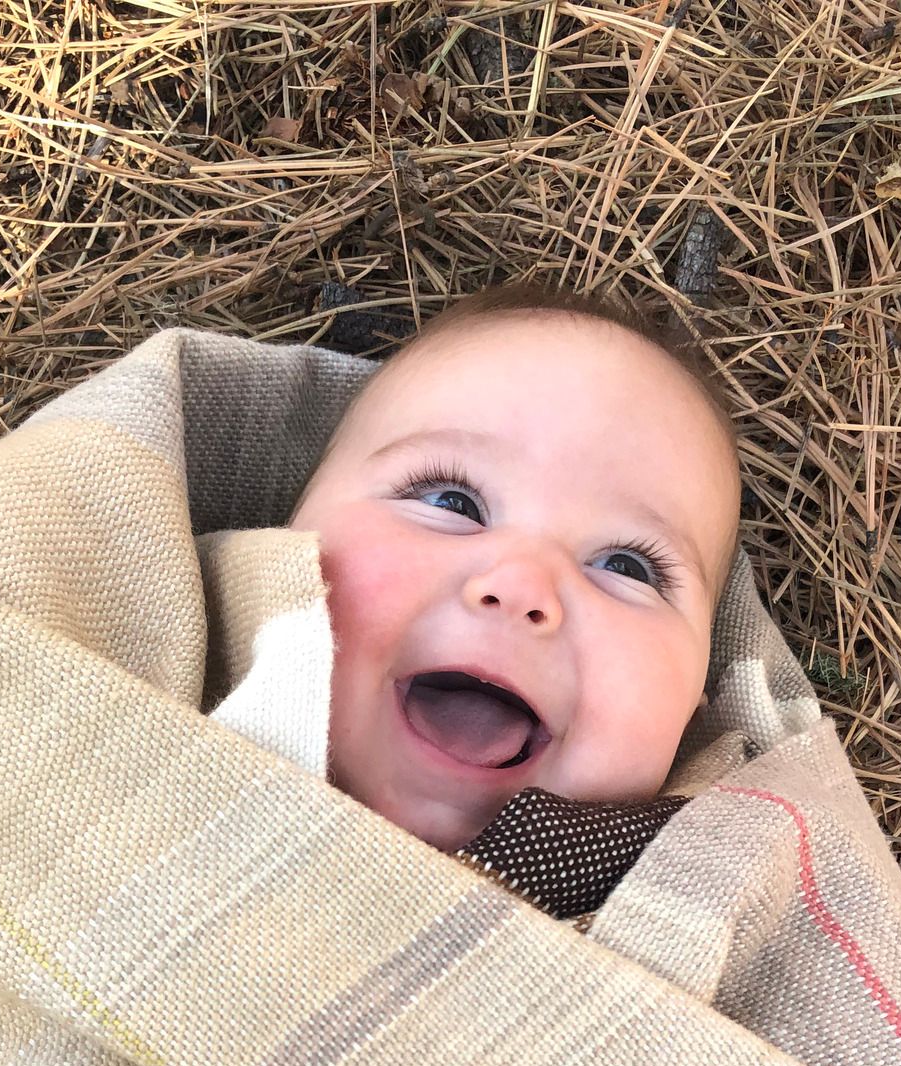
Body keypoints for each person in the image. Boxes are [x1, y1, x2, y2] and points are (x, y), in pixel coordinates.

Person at [287, 283, 743, 853]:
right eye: (452, 502)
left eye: (627, 567)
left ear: (691, 717)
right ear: (281, 530)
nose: (523, 586)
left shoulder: (721, 871)